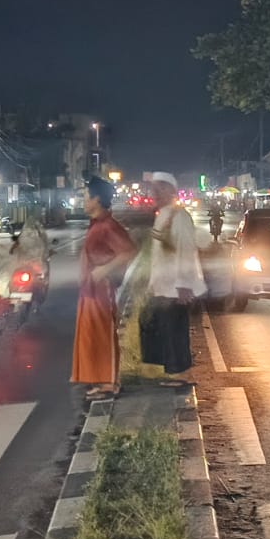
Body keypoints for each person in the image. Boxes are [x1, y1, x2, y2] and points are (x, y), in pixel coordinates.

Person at [71, 177, 137, 400]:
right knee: (92, 337)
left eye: (85, 196)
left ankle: (109, 382)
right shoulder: (97, 224)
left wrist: (104, 270)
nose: (83, 200)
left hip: (101, 291)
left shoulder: (108, 226)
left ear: (97, 199)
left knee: (103, 336)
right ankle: (100, 380)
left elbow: (128, 251)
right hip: (89, 291)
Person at [140, 171, 207, 386]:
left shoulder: (179, 216)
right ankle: (167, 370)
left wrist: (184, 285)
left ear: (171, 191)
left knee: (173, 329)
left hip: (175, 286)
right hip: (162, 285)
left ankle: (178, 374)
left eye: (160, 188)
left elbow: (186, 251)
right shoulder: (163, 215)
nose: (155, 193)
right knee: (154, 325)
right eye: (154, 189)